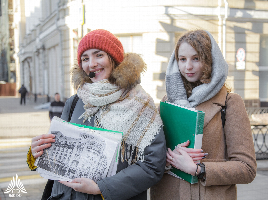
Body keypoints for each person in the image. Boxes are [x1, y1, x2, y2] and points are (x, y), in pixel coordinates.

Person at [27, 29, 166, 200]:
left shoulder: (140, 104)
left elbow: (153, 166)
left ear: (114, 58)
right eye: (85, 59)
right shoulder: (76, 101)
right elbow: (56, 154)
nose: (91, 64)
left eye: (98, 55)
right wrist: (35, 154)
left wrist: (101, 188)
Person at [150, 30, 256, 200]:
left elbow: (247, 168)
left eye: (196, 58)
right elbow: (152, 154)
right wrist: (169, 159)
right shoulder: (168, 101)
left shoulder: (230, 103)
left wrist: (199, 169)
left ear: (209, 60)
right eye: (182, 59)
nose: (188, 67)